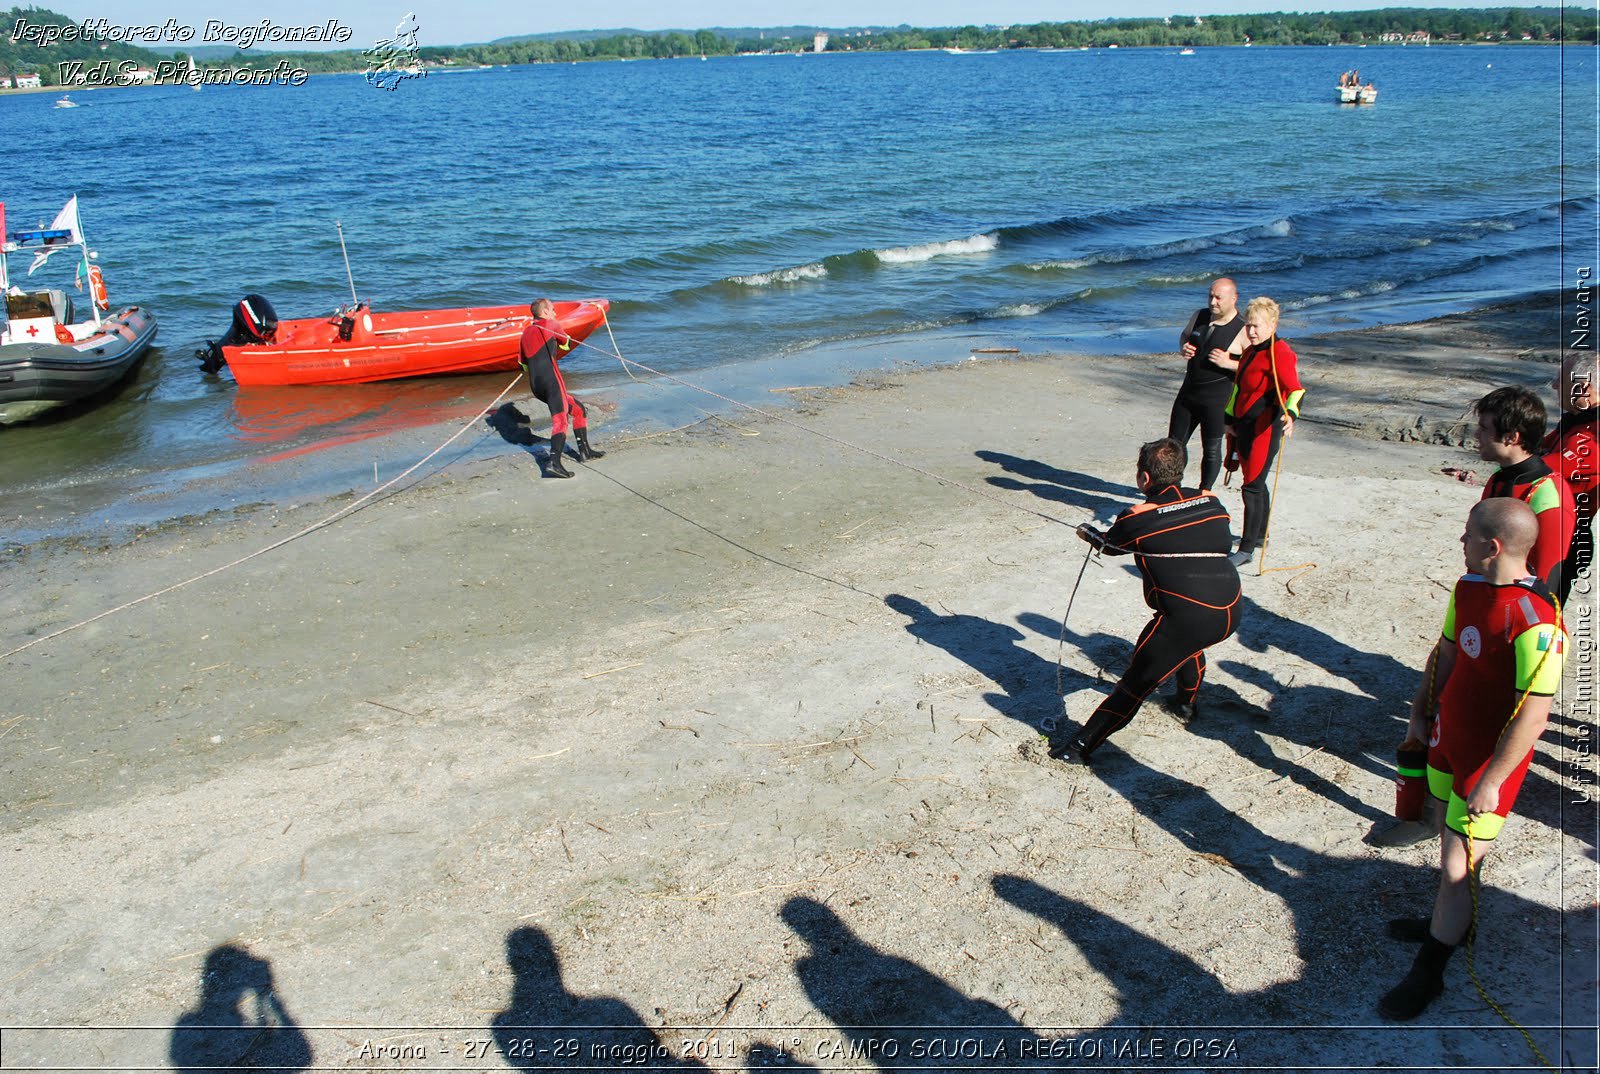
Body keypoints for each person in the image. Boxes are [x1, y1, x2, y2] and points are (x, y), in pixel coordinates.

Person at [1379, 498, 1566, 1020]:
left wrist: (1494, 781)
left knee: (1455, 866)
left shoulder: (1539, 621)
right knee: (1445, 834)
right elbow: (1445, 652)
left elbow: (1533, 717)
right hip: (1447, 741)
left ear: (1493, 546)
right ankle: (1454, 922)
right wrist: (1419, 711)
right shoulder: (1467, 589)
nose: (1460, 543)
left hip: (1488, 763)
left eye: (1466, 535)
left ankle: (1430, 971)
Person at [1051, 437, 1241, 764]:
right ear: (1180, 471)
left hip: (1190, 618)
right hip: (1231, 609)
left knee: (1135, 683)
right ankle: (1184, 702)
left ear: (1144, 479)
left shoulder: (1137, 517)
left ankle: (1078, 748)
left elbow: (1110, 546)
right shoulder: (1211, 500)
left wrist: (1087, 533)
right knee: (1189, 645)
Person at [1471, 386, 1574, 595]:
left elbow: (1548, 576)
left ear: (1511, 437)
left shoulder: (1549, 493)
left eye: (1483, 428)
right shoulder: (1498, 479)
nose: (1476, 434)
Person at [1224, 296, 1303, 568]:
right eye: (1248, 326)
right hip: (1243, 425)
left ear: (1273, 324)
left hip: (1265, 429)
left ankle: (1246, 550)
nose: (1252, 331)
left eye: (1257, 326)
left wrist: (1291, 416)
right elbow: (1238, 390)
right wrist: (1228, 419)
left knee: (1251, 487)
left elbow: (1295, 389)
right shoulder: (1250, 351)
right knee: (1254, 482)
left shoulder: (1280, 353)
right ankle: (1260, 535)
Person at [1168, 278, 1248, 492]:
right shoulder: (1200, 316)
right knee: (1174, 445)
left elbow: (1256, 367)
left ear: (1234, 298)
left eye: (1218, 298)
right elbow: (1185, 335)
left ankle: (1205, 491)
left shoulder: (1242, 329)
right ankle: (1172, 488)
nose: (1213, 302)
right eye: (1210, 296)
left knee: (1211, 448)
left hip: (1217, 398)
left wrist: (1229, 363)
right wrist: (1183, 348)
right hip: (1188, 392)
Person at [520, 298, 605, 479]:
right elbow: (566, 343)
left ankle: (585, 452)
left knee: (578, 410)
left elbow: (523, 364)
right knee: (561, 420)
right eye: (552, 309)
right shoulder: (551, 324)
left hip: (536, 386)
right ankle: (554, 463)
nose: (555, 313)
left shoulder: (526, 332)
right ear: (544, 313)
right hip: (551, 381)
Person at [1542, 353, 1599, 604]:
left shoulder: (1593, 434)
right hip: (1553, 531)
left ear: (1583, 387)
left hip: (1564, 540)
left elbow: (1542, 469)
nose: (1554, 385)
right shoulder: (1576, 421)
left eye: (1560, 380)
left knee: (1541, 614)